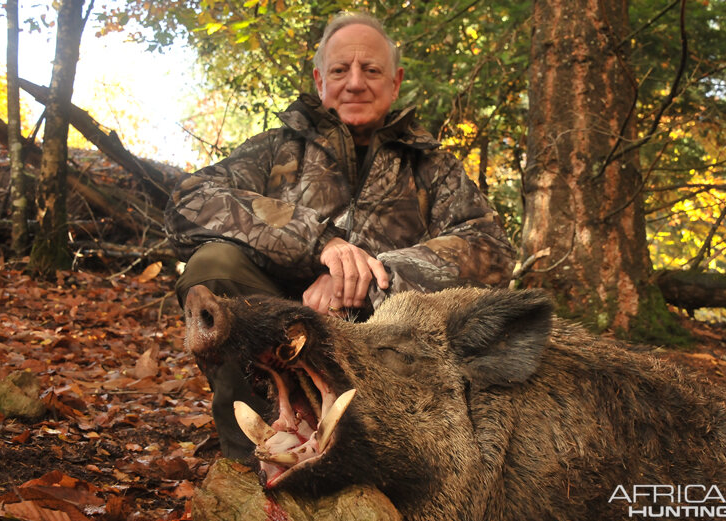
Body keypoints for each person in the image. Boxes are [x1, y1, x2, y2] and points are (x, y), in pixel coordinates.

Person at [165, 11, 517, 458]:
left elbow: (492, 249)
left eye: (371, 70)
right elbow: (188, 200)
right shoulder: (275, 148)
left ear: (395, 82)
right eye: (339, 70)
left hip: (384, 346)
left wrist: (371, 274)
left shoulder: (431, 167)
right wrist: (321, 246)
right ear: (319, 80)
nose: (354, 83)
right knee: (212, 266)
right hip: (276, 330)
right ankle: (253, 455)